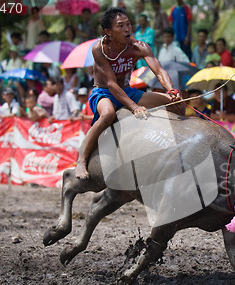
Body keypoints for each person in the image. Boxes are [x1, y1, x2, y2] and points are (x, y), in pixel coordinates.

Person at [76, 7, 184, 179]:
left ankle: (175, 152)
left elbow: (159, 71)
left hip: (127, 90)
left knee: (177, 105)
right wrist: (134, 107)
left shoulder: (139, 47)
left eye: (128, 24)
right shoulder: (99, 49)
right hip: (103, 92)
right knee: (108, 114)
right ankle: (81, 160)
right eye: (121, 26)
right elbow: (111, 84)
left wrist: (171, 89)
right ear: (108, 32)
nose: (127, 28)